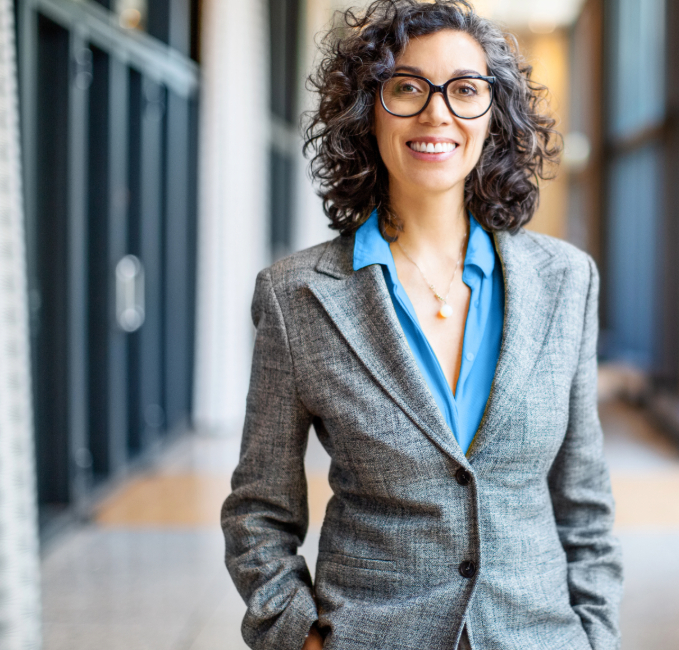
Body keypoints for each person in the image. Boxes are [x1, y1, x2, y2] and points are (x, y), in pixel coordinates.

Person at [220, 2, 623, 648]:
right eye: (407, 87)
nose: (437, 112)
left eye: (465, 90)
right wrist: (301, 637)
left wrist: (596, 637)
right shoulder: (297, 298)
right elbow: (257, 513)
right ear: (366, 110)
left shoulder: (566, 283)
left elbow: (585, 505)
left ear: (493, 116)